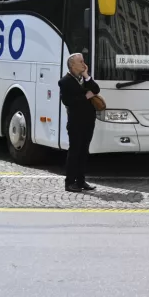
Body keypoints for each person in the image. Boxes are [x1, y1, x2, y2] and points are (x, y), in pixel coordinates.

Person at [58, 53, 100, 193]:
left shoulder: (84, 79)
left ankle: (81, 181)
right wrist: (86, 96)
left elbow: (96, 89)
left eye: (83, 61)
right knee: (74, 151)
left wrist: (87, 76)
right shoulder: (65, 81)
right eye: (81, 62)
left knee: (84, 151)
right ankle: (69, 182)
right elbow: (68, 101)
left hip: (88, 120)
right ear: (72, 65)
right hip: (76, 122)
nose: (84, 64)